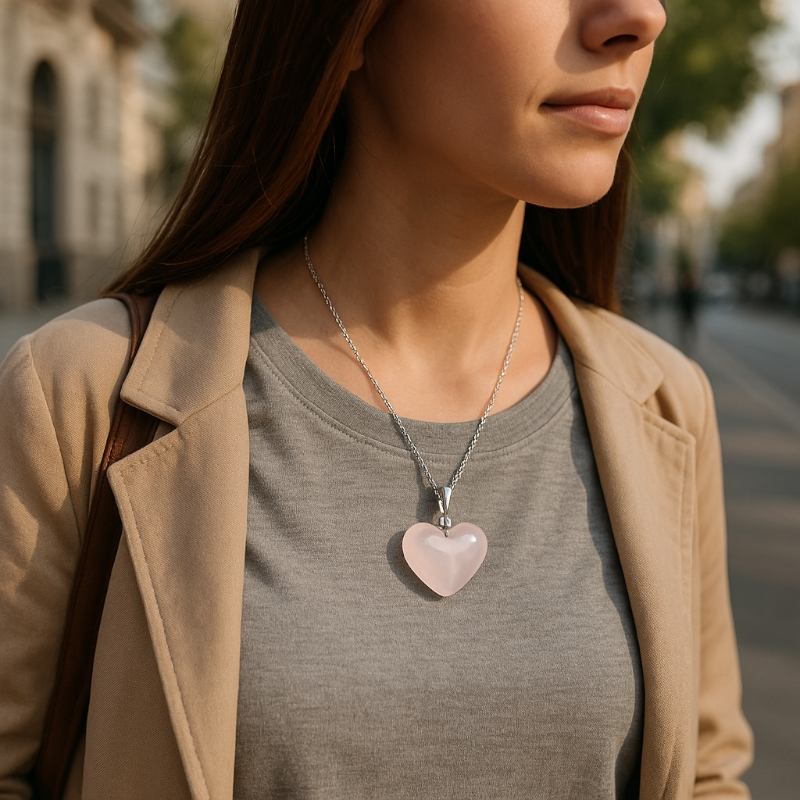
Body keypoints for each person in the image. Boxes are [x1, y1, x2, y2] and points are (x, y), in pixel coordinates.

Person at [0, 0, 753, 797]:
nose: (639, 17)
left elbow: (704, 775)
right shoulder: (84, 394)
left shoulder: (664, 405)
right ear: (351, 27)